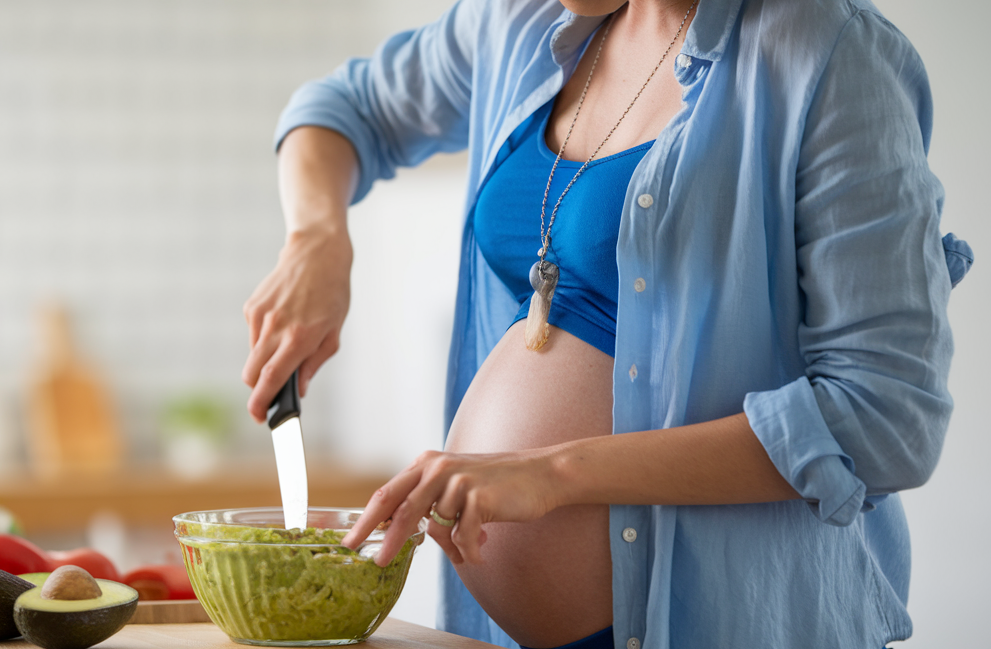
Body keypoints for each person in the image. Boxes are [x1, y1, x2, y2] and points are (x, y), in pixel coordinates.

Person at [240, 0, 975, 648]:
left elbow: (886, 417)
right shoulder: (521, 22)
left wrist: (558, 473)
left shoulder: (830, 54)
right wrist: (316, 241)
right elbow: (341, 109)